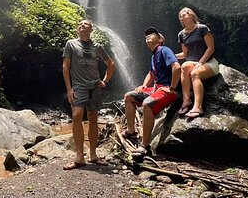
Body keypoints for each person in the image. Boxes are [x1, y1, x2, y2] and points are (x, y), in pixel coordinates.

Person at [62, 19, 115, 170]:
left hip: (95, 87)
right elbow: (65, 67)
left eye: (85, 24)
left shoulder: (97, 47)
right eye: (79, 24)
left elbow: (110, 64)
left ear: (91, 30)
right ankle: (79, 156)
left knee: (93, 117)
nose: (81, 25)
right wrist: (69, 88)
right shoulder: (71, 44)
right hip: (78, 87)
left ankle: (93, 154)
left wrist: (105, 81)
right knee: (77, 116)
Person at [122, 27, 180, 156]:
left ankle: (145, 146)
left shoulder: (164, 50)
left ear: (160, 40)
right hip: (156, 89)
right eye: (146, 35)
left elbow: (176, 67)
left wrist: (172, 88)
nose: (147, 36)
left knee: (147, 104)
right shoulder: (154, 55)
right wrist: (143, 86)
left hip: (166, 90)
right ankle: (131, 131)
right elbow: (151, 73)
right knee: (128, 97)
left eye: (152, 34)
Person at [176, 7, 219, 119]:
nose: (186, 12)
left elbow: (211, 48)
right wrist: (170, 56)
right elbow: (185, 54)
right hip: (193, 62)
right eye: (183, 12)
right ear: (181, 18)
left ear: (193, 15)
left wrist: (201, 62)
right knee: (184, 66)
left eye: (189, 11)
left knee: (195, 74)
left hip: (209, 62)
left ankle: (198, 107)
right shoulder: (181, 34)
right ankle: (186, 102)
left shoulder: (202, 28)